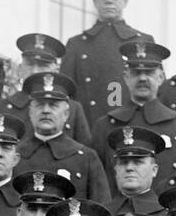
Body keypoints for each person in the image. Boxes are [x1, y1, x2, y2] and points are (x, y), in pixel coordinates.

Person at [60, 0, 151, 128]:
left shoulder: (143, 42)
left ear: (125, 1)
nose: (109, 1)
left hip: (132, 129)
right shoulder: (77, 44)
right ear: (95, 1)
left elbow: (153, 93)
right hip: (88, 131)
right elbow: (66, 96)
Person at [92, 40, 176, 183]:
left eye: (149, 73)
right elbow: (97, 180)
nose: (142, 78)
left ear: (161, 77)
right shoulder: (105, 126)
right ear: (126, 77)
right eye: (136, 73)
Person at [14, 72, 110, 202]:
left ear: (66, 114)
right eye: (40, 105)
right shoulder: (15, 156)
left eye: (53, 105)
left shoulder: (86, 158)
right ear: (30, 112)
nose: (46, 110)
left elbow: (101, 207)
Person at [0, 32, 93, 147]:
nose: (35, 71)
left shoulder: (72, 108)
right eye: (30, 64)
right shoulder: (3, 108)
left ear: (55, 70)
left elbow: (85, 155)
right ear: (20, 69)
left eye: (42, 65)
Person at [106, 125, 169, 216]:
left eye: (138, 162)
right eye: (123, 162)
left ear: (154, 170)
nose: (129, 168)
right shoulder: (102, 215)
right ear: (116, 169)